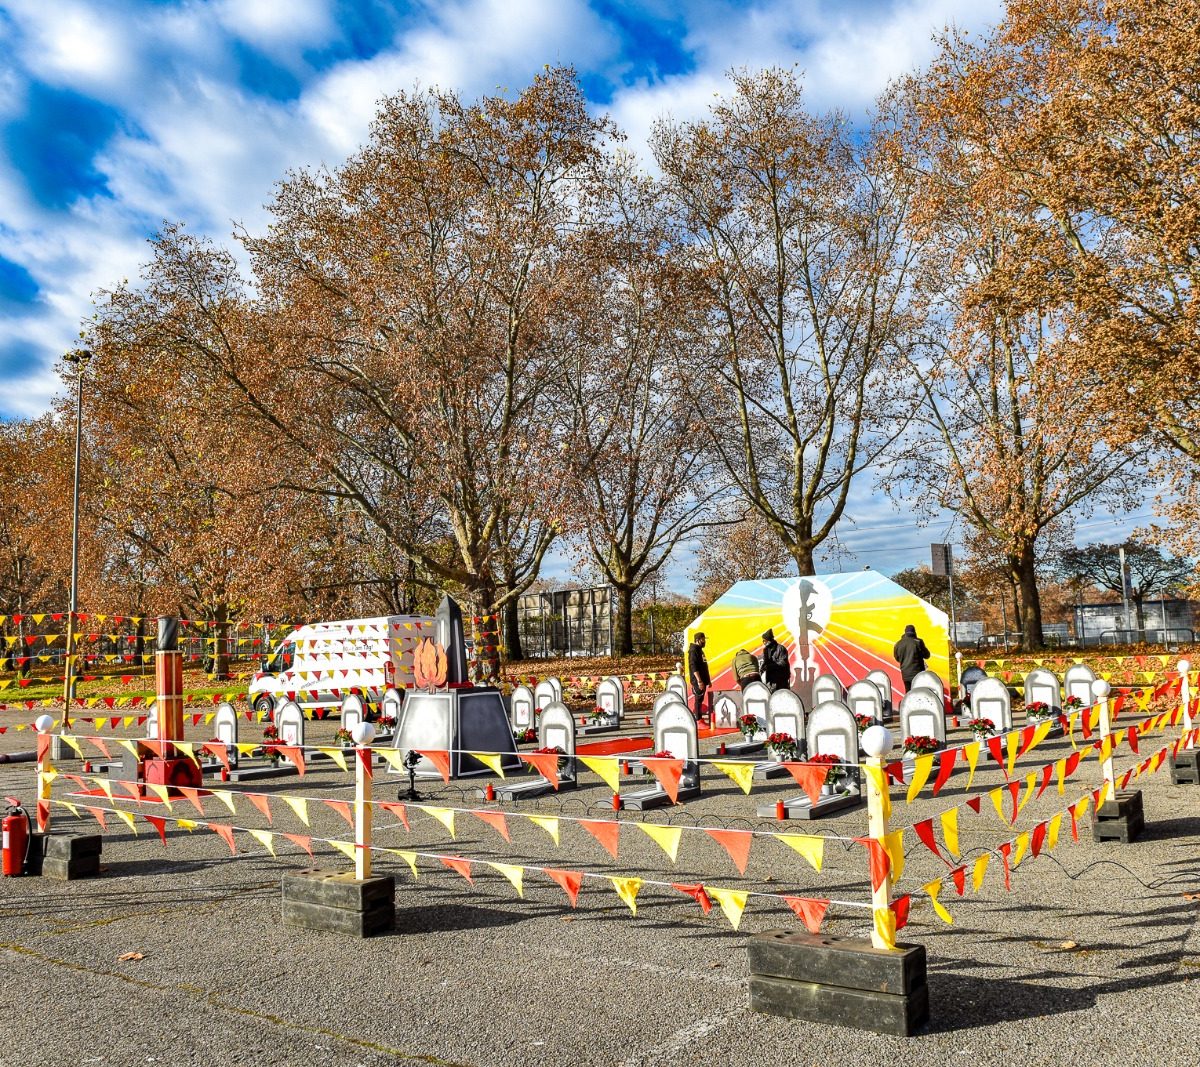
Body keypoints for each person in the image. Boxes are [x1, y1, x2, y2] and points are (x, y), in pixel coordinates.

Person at [893, 624, 931, 692]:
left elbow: (897, 658)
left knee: (908, 692)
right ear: (914, 632)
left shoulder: (898, 644)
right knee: (919, 692)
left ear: (905, 633)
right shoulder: (918, 642)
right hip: (918, 673)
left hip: (905, 674)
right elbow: (927, 655)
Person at [687, 631, 711, 722]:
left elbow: (704, 666)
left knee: (700, 699)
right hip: (698, 680)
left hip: (703, 679)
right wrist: (699, 681)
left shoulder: (699, 650)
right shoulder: (693, 650)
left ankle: (699, 719)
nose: (705, 641)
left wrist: (708, 680)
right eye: (703, 639)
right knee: (698, 699)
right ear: (698, 640)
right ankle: (698, 720)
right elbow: (693, 666)